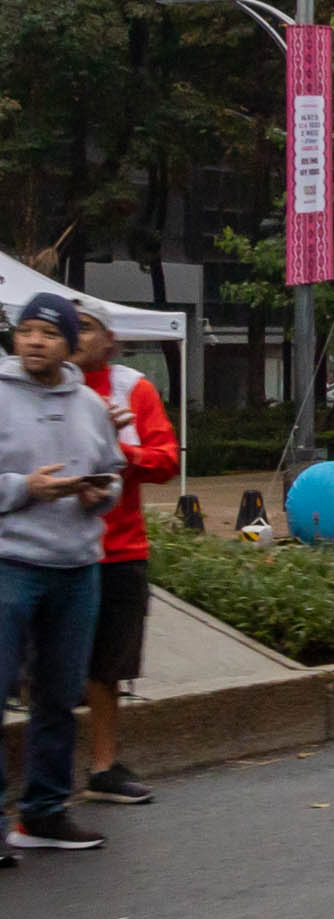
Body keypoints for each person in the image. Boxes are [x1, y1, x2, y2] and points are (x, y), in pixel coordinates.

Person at [0, 292, 125, 854]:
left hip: (77, 568)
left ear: (70, 345)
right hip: (9, 564)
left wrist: (100, 493)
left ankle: (43, 815)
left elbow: (113, 472)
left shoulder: (91, 405)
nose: (34, 341)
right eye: (26, 330)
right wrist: (25, 488)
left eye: (49, 334)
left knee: (58, 696)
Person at [73, 312, 173, 809]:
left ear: (110, 340)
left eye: (86, 326)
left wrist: (121, 453)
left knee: (107, 666)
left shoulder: (133, 388)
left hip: (119, 550)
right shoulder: (28, 388)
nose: (74, 335)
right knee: (37, 671)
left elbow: (166, 459)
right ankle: (39, 787)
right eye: (65, 326)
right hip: (47, 554)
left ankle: (103, 767)